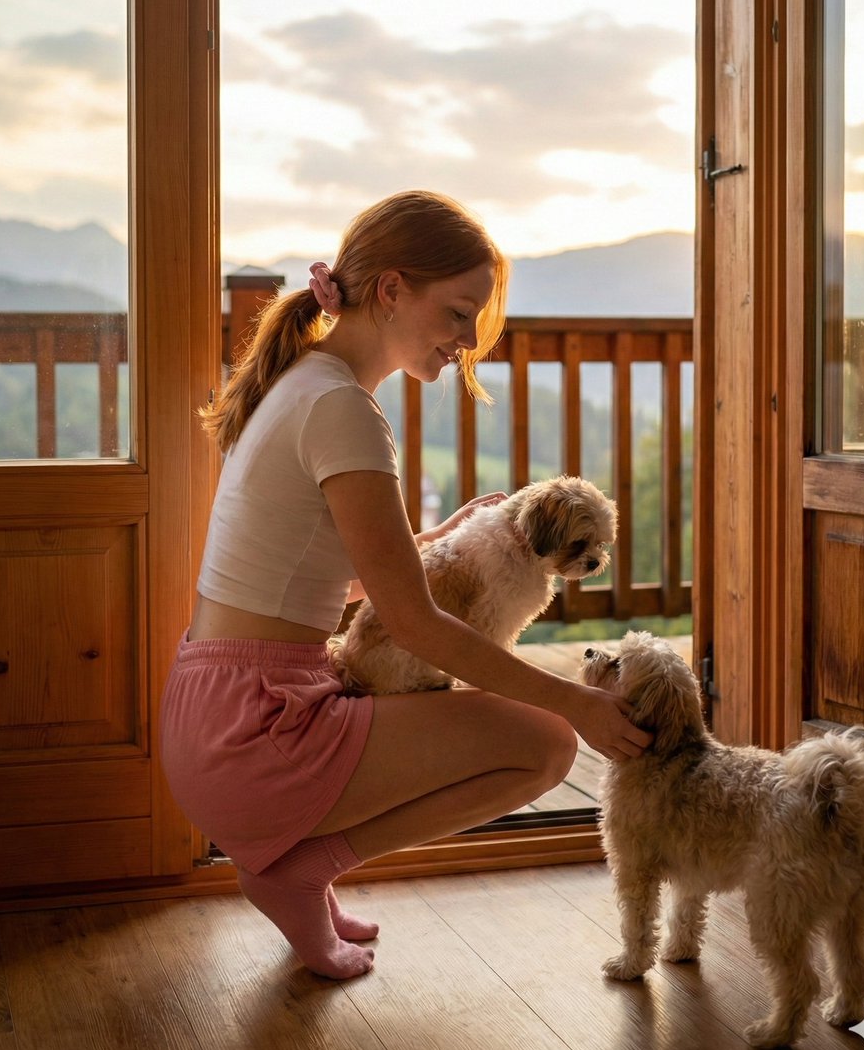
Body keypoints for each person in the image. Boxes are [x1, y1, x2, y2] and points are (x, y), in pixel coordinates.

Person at [159, 189, 652, 981]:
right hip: (256, 730)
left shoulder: (303, 384)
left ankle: (301, 870)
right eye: (457, 313)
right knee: (546, 744)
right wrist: (579, 703)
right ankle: (298, 870)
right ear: (390, 291)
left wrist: (430, 541)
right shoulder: (341, 409)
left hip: (214, 712)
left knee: (470, 711)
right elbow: (417, 626)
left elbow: (326, 581)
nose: (465, 340)